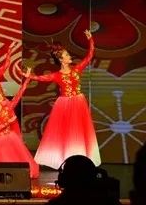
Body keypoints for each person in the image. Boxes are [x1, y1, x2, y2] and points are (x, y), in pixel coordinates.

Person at [30, 29, 99, 169]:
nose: (69, 56)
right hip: (65, 104)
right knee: (65, 132)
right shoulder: (57, 75)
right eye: (67, 55)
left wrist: (90, 39)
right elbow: (41, 78)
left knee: (79, 131)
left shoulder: (76, 69)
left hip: (78, 102)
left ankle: (81, 159)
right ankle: (65, 160)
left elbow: (89, 56)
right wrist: (28, 75)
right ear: (61, 59)